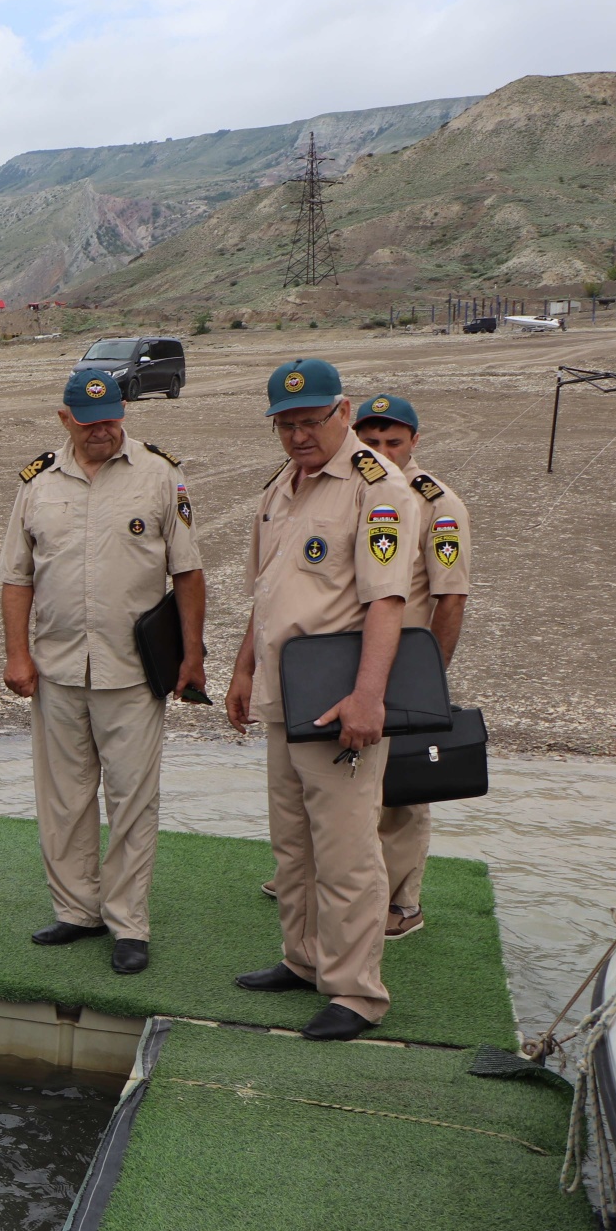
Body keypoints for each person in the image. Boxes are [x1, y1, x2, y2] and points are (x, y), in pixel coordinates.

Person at [227, 359, 420, 1042]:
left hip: (340, 699)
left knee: (345, 849)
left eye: (311, 419)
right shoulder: (283, 484)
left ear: (343, 411)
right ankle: (304, 959)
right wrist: (244, 667)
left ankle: (357, 992)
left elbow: (387, 601)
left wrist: (369, 697)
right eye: (286, 422)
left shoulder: (378, 488)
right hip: (284, 692)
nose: (299, 434)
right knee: (293, 845)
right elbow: (271, 591)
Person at [0, 368, 206, 976]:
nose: (103, 432)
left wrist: (192, 656)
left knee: (132, 800)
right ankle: (75, 911)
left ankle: (128, 924)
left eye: (113, 419)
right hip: (57, 667)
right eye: (90, 423)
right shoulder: (37, 483)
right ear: (65, 419)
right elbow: (17, 576)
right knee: (63, 799)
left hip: (135, 672)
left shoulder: (161, 476)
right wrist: (17, 654)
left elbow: (187, 573)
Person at [354, 393, 471, 941]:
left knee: (402, 788)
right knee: (346, 779)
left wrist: (431, 681)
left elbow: (451, 598)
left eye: (392, 442)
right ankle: (331, 878)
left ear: (414, 442)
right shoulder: (353, 489)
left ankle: (402, 903)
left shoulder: (438, 505)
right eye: (369, 441)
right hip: (349, 658)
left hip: (405, 664)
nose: (380, 451)